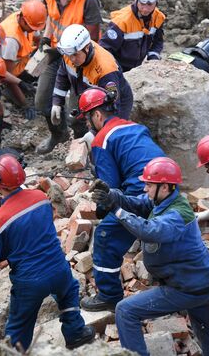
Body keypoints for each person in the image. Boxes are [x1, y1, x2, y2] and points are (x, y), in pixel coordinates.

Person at [90, 157, 209, 356]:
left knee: (125, 311)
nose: (145, 189)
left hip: (187, 288)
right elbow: (136, 203)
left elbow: (149, 231)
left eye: (149, 184)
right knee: (208, 335)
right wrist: (112, 195)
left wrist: (116, 210)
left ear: (164, 187)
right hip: (203, 284)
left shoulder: (177, 214)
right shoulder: (165, 200)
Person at [0, 152, 95, 351]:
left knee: (20, 322)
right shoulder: (40, 198)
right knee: (69, 293)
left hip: (30, 280)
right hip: (58, 268)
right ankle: (76, 333)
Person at [75, 87, 164, 312]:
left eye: (87, 118)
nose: (87, 124)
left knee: (105, 236)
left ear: (97, 115)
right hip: (167, 187)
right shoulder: (134, 126)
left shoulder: (102, 140)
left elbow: (110, 189)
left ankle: (109, 295)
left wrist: (101, 211)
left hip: (142, 195)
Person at [38, 24, 133, 153]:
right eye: (69, 55)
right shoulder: (71, 52)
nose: (71, 59)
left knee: (111, 134)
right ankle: (82, 148)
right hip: (85, 92)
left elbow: (112, 107)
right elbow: (62, 75)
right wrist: (57, 102)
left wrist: (95, 132)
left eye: (75, 55)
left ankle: (102, 157)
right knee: (75, 120)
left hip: (114, 100)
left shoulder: (105, 69)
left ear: (87, 48)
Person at [35, 0, 103, 150]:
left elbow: (91, 39)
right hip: (57, 53)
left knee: (76, 113)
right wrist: (46, 37)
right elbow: (52, 17)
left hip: (80, 58)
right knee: (42, 101)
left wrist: (64, 52)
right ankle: (58, 135)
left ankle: (83, 146)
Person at [0, 0, 47, 119]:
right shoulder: (11, 40)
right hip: (5, 74)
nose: (34, 30)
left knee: (48, 53)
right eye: (32, 27)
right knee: (12, 83)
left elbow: (37, 39)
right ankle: (9, 92)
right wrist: (25, 105)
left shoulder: (26, 19)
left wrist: (42, 48)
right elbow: (6, 75)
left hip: (21, 63)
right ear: (22, 19)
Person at [99, 0, 165, 72]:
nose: (145, 9)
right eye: (142, 4)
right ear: (136, 0)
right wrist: (115, 70)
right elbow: (105, 49)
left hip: (136, 68)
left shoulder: (158, 18)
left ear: (156, 2)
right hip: (118, 67)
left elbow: (158, 41)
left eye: (150, 4)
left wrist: (153, 57)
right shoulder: (122, 21)